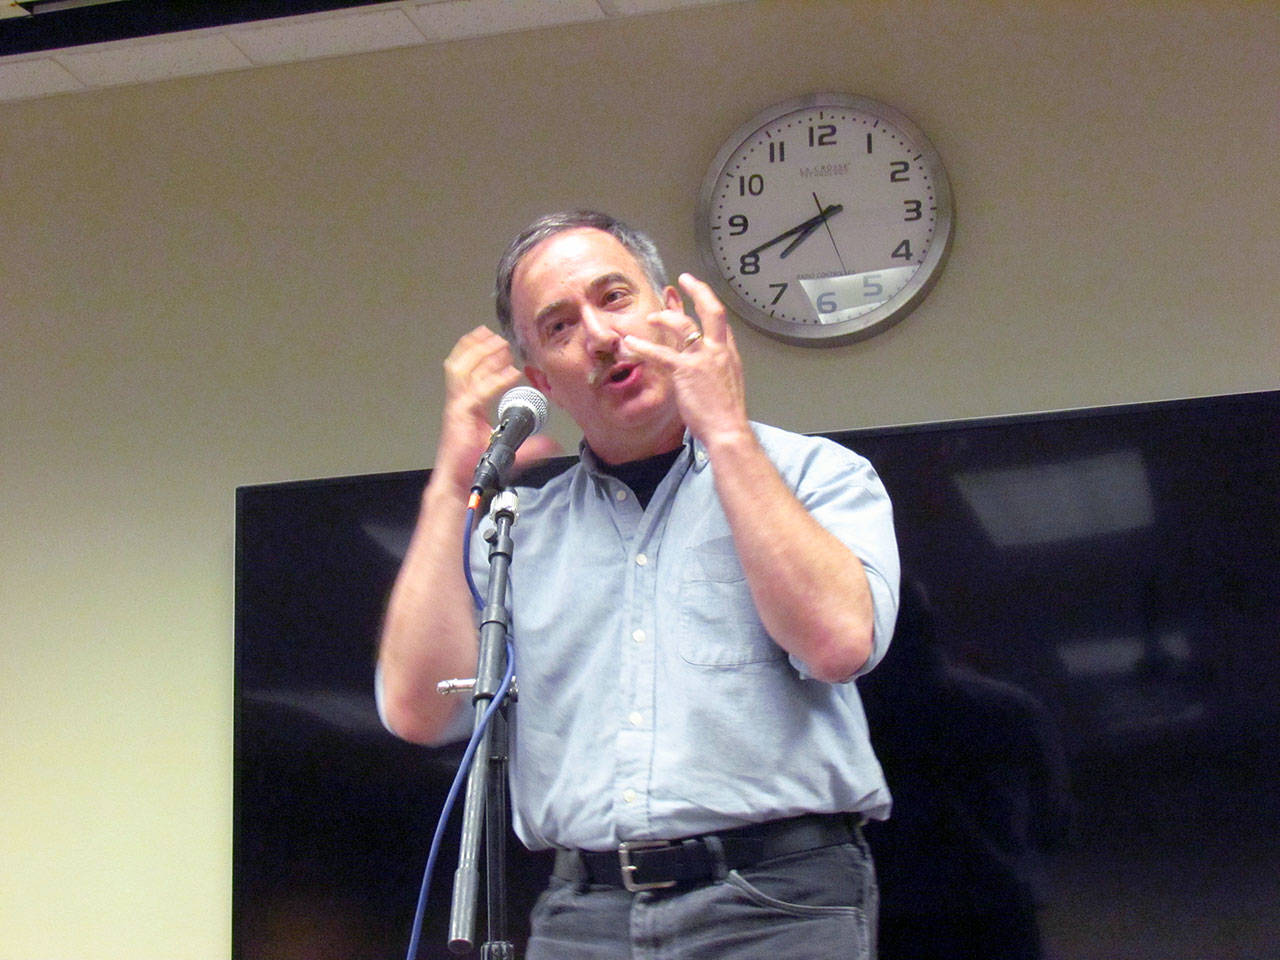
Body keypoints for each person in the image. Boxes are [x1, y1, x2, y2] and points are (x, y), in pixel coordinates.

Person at [377, 210, 900, 959]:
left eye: (614, 297)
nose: (597, 335)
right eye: (559, 327)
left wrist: (724, 430)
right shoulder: (517, 533)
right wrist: (449, 483)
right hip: (582, 915)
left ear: (671, 310)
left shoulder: (817, 475)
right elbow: (417, 712)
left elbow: (838, 643)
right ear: (538, 381)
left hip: (775, 903)